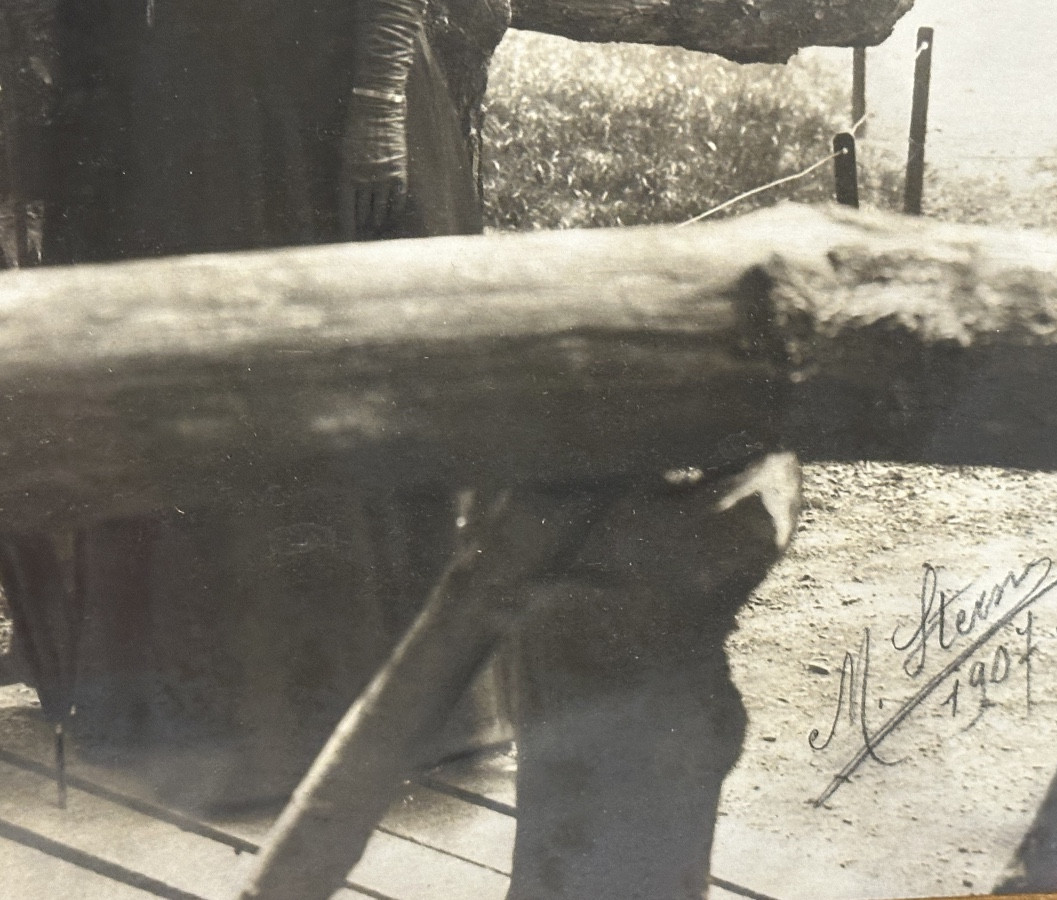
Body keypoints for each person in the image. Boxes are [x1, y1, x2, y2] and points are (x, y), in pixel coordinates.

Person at [37, 1, 803, 896]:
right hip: (202, 103)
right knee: (220, 368)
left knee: (338, 362)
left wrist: (374, 108)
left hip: (321, 97)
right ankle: (212, 717)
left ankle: (371, 715)